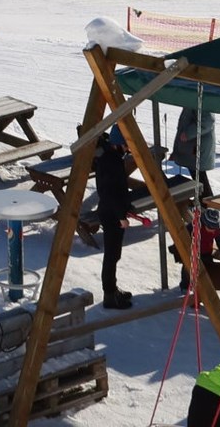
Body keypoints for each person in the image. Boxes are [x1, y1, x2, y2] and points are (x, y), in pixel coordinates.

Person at [95, 128, 134, 310]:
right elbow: (110, 193)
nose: (127, 149)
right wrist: (121, 216)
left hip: (112, 211)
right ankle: (109, 295)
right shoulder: (110, 161)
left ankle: (113, 289)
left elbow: (119, 189)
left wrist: (126, 208)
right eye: (126, 145)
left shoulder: (112, 158)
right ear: (117, 144)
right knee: (111, 255)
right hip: (111, 214)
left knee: (114, 254)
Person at [173, 107, 217, 198]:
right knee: (197, 175)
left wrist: (188, 133)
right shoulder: (193, 101)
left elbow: (207, 122)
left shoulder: (201, 101)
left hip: (197, 146)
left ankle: (205, 202)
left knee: (199, 175)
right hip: (193, 145)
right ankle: (203, 200)